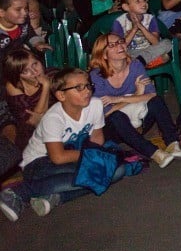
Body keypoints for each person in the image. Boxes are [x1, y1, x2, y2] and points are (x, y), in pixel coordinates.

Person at [0, 68, 126, 222]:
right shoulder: (53, 118)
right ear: (61, 95)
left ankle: (58, 197)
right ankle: (20, 192)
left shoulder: (95, 104)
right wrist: (92, 158)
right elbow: (58, 157)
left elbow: (97, 136)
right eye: (78, 88)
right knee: (93, 172)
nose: (86, 91)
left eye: (88, 85)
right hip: (39, 163)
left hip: (73, 155)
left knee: (117, 170)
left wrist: (97, 157)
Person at [88, 34, 181, 168]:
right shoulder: (96, 76)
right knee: (116, 116)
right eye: (112, 45)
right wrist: (137, 94)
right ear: (104, 55)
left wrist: (120, 99)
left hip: (138, 120)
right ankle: (153, 152)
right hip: (115, 129)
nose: (120, 45)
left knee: (156, 101)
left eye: (121, 41)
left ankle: (173, 143)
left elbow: (151, 94)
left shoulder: (135, 65)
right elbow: (105, 112)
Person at [2, 49, 53, 150]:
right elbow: (33, 120)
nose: (34, 72)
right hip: (29, 133)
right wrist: (46, 87)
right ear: (18, 75)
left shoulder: (53, 74)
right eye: (25, 71)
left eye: (35, 64)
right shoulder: (15, 86)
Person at [111, 0, 173, 68]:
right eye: (138, 1)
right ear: (126, 7)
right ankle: (146, 64)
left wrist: (141, 27)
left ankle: (140, 63)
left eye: (144, 0)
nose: (144, 3)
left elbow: (155, 42)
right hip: (131, 53)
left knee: (167, 43)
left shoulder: (150, 19)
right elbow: (120, 46)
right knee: (165, 57)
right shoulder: (119, 22)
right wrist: (134, 29)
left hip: (150, 50)